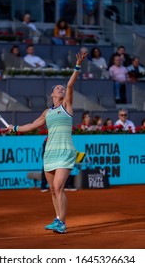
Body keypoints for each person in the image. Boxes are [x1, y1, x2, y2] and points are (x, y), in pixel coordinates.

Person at [8, 51, 88, 234]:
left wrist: (77, 65)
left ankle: (63, 222)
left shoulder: (67, 105)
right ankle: (57, 218)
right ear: (51, 94)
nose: (61, 89)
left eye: (62, 88)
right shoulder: (47, 112)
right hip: (50, 153)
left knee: (59, 186)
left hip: (66, 152)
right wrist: (14, 128)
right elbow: (31, 126)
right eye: (57, 88)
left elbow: (70, 85)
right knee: (52, 189)